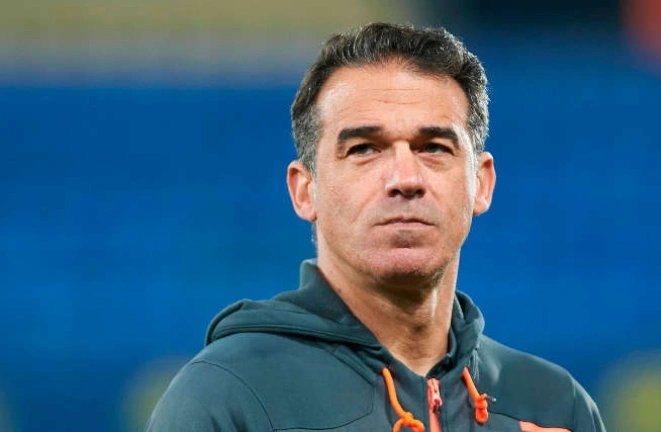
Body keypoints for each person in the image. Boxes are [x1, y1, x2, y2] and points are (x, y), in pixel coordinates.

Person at [146, 22, 605, 432]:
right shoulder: (229, 398)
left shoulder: (555, 408)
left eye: (434, 147)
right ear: (305, 191)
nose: (405, 178)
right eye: (364, 149)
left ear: (481, 183)